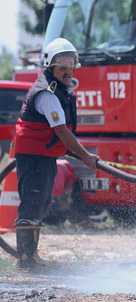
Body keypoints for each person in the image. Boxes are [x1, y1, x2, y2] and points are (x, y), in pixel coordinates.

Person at [13, 38, 99, 269]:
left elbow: (60, 133)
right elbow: (60, 130)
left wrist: (81, 154)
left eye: (71, 67)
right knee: (32, 203)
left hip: (44, 154)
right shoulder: (48, 93)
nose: (68, 72)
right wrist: (86, 157)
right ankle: (26, 260)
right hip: (33, 156)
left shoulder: (60, 90)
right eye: (63, 68)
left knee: (41, 202)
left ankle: (32, 256)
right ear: (51, 68)